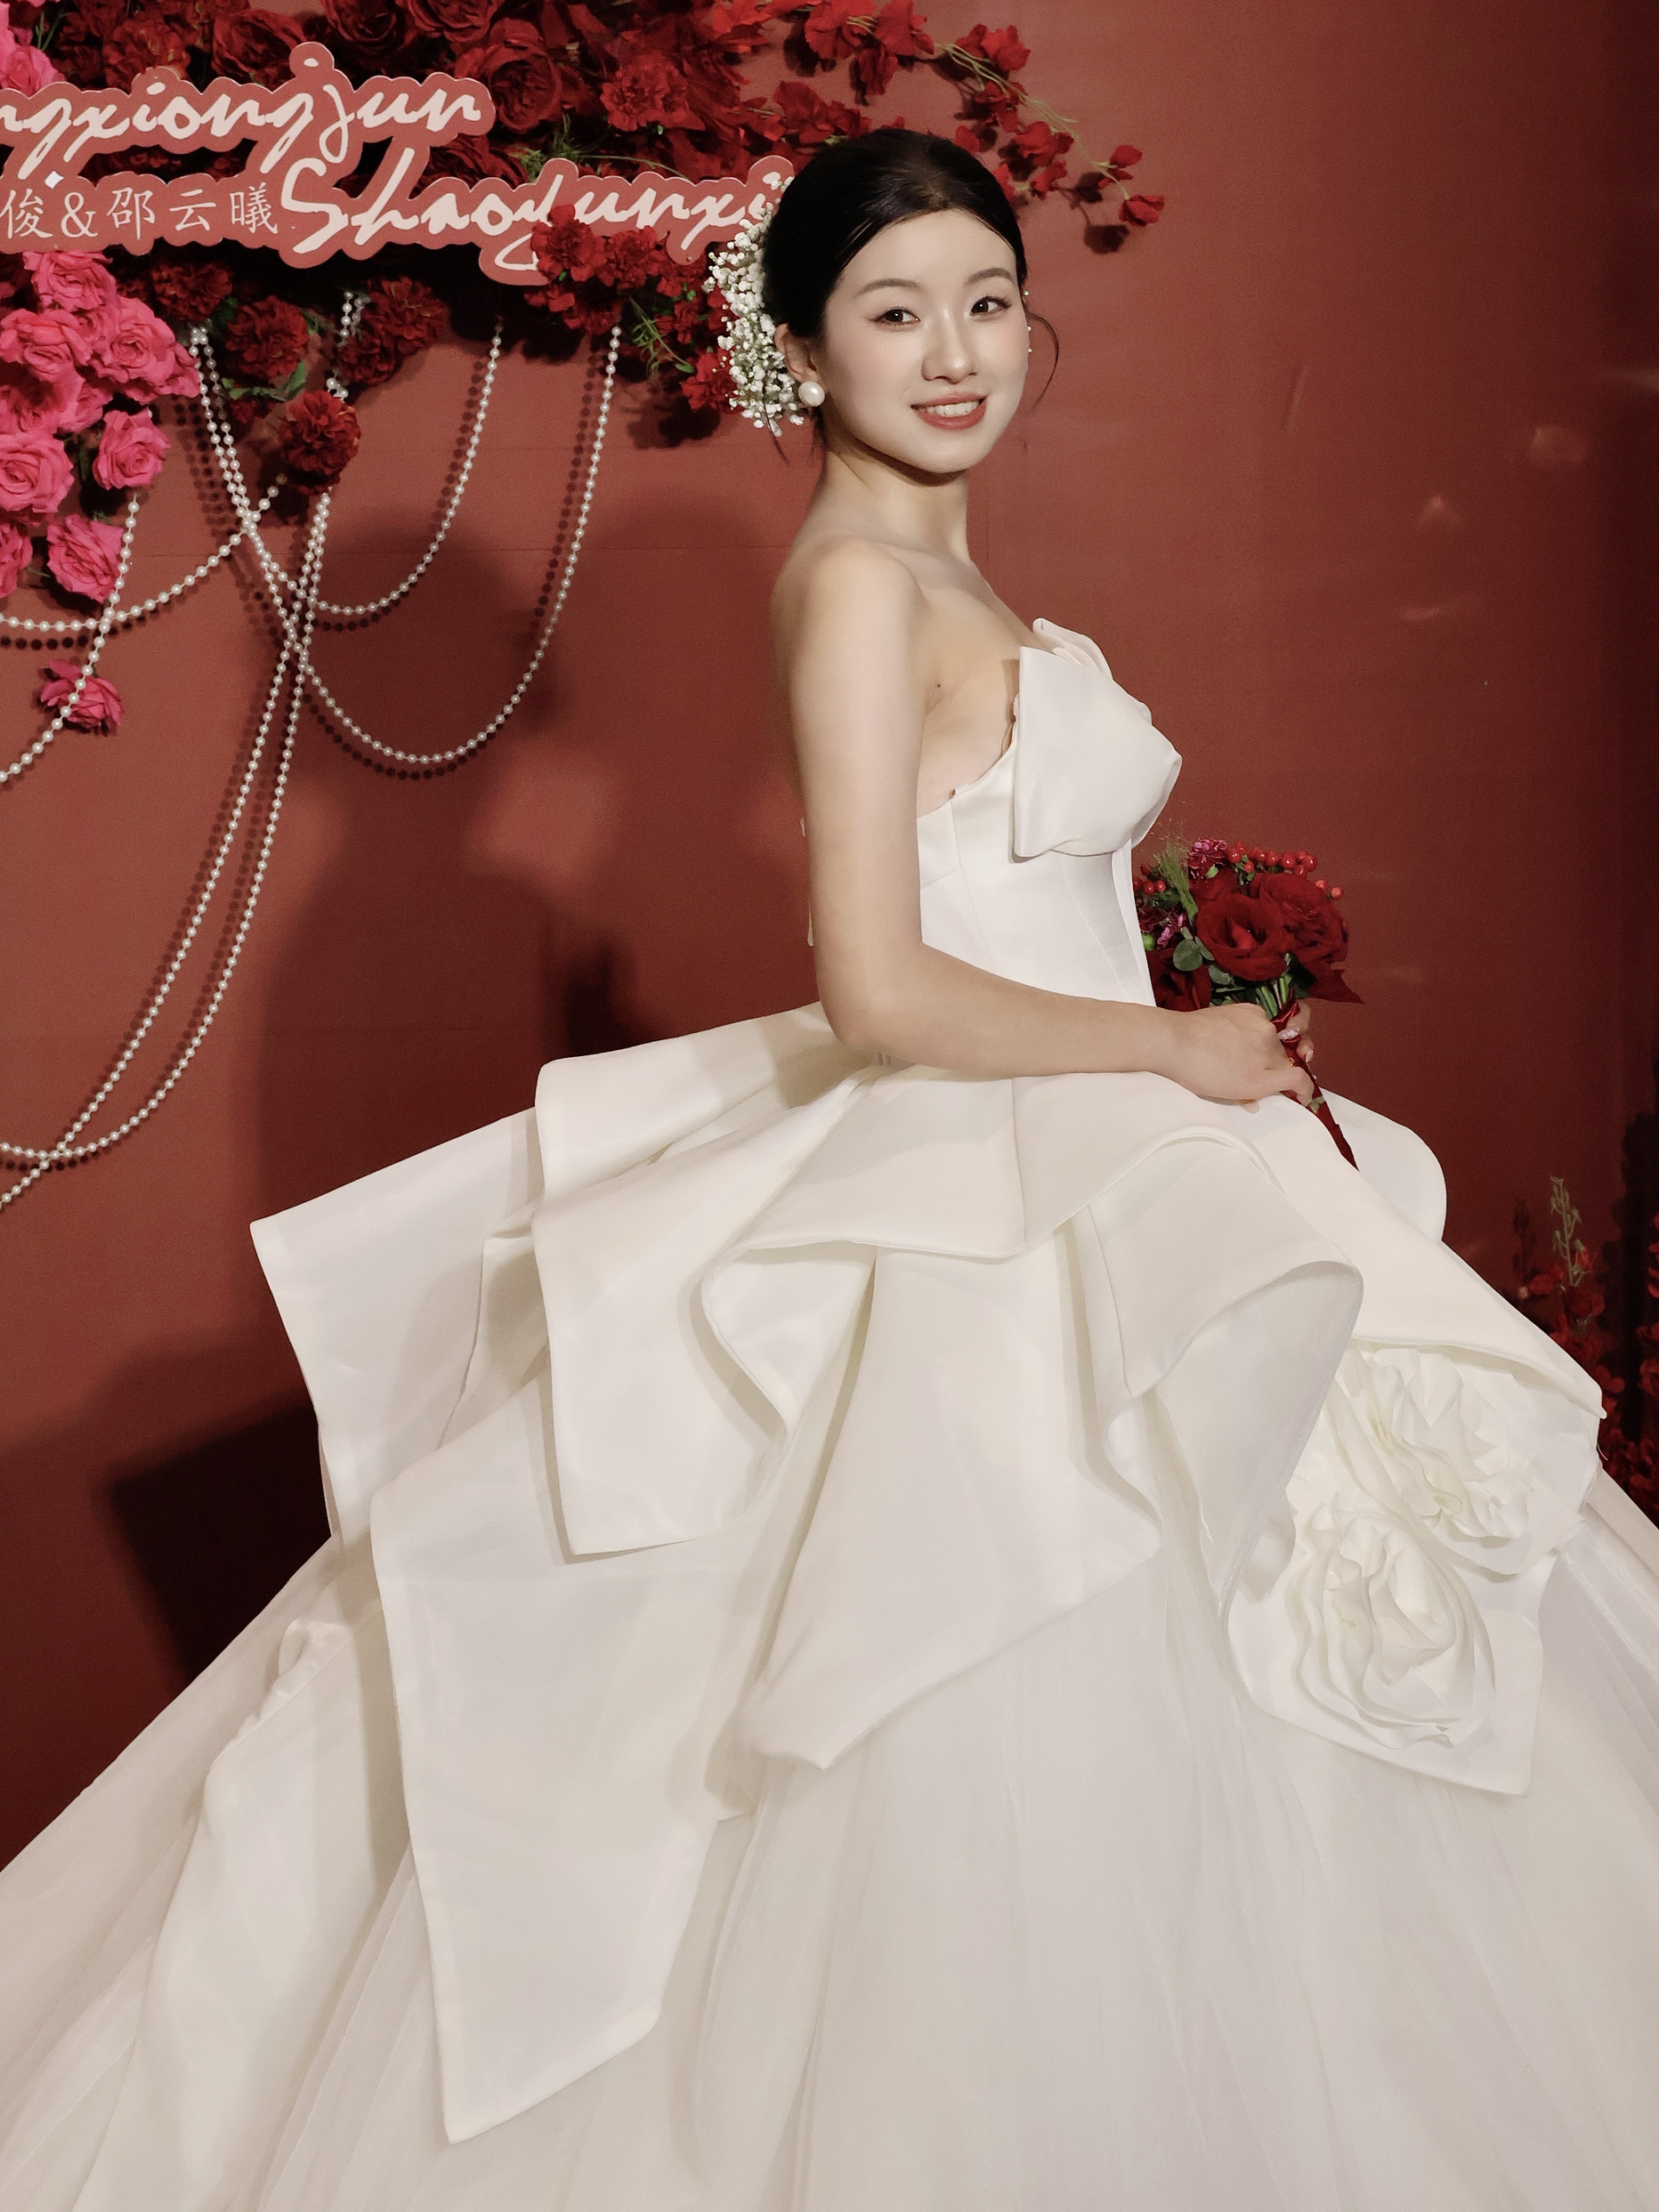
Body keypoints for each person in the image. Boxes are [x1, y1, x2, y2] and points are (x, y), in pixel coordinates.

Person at [4, 128, 1659, 2212]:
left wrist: (1179, 1058)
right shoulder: (857, 584)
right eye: (893, 312)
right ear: (799, 350)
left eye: (986, 302)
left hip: (1087, 1137)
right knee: (982, 1667)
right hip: (983, 1159)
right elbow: (876, 983)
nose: (952, 352)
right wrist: (1168, 1045)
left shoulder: (942, 572)